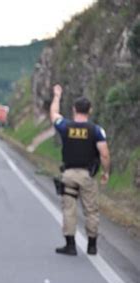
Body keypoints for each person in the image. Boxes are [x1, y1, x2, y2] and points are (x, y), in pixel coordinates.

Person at [50, 84, 110, 256]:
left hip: (68, 174)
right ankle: (92, 246)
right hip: (87, 175)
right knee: (91, 210)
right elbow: (104, 154)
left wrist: (57, 96)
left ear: (74, 109)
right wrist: (106, 173)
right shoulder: (96, 130)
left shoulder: (65, 126)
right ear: (89, 110)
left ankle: (70, 245)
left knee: (69, 209)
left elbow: (53, 115)